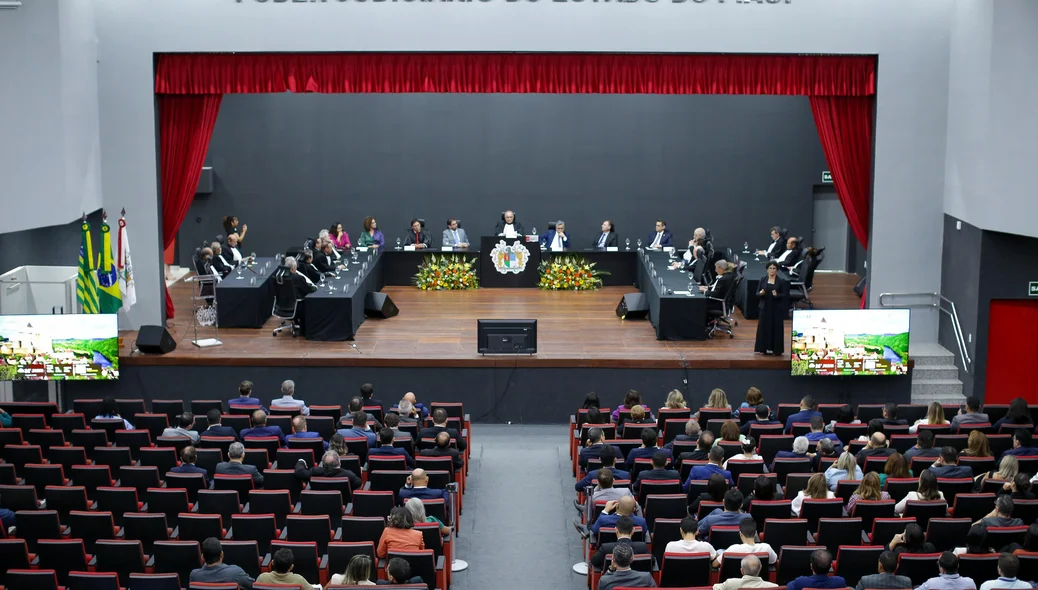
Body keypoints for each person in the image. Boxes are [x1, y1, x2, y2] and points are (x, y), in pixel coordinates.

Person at [753, 261, 790, 356]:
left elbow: (785, 296)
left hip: (776, 309)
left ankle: (776, 349)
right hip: (764, 307)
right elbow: (757, 294)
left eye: (774, 268)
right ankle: (762, 348)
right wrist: (760, 293)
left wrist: (777, 295)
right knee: (763, 328)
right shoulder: (763, 280)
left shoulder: (781, 281)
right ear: (767, 270)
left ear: (777, 270)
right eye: (770, 268)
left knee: (776, 328)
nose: (772, 270)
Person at [190, 537, 255, 588]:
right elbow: (253, 586)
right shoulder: (235, 573)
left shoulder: (194, 576)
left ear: (202, 557)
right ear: (222, 555)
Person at [293, 449, 362, 492]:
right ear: (339, 462)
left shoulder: (315, 472)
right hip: (342, 505)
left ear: (323, 464)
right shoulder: (349, 475)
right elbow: (359, 485)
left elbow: (299, 472)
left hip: (318, 504)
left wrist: (301, 461)